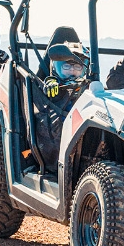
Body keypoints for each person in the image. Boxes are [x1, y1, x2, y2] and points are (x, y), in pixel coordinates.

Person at [35, 41, 90, 171]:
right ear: (56, 68)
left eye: (78, 67)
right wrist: (51, 83)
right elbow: (49, 83)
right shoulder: (54, 84)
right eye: (66, 67)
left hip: (81, 137)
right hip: (55, 141)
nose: (72, 70)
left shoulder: (85, 86)